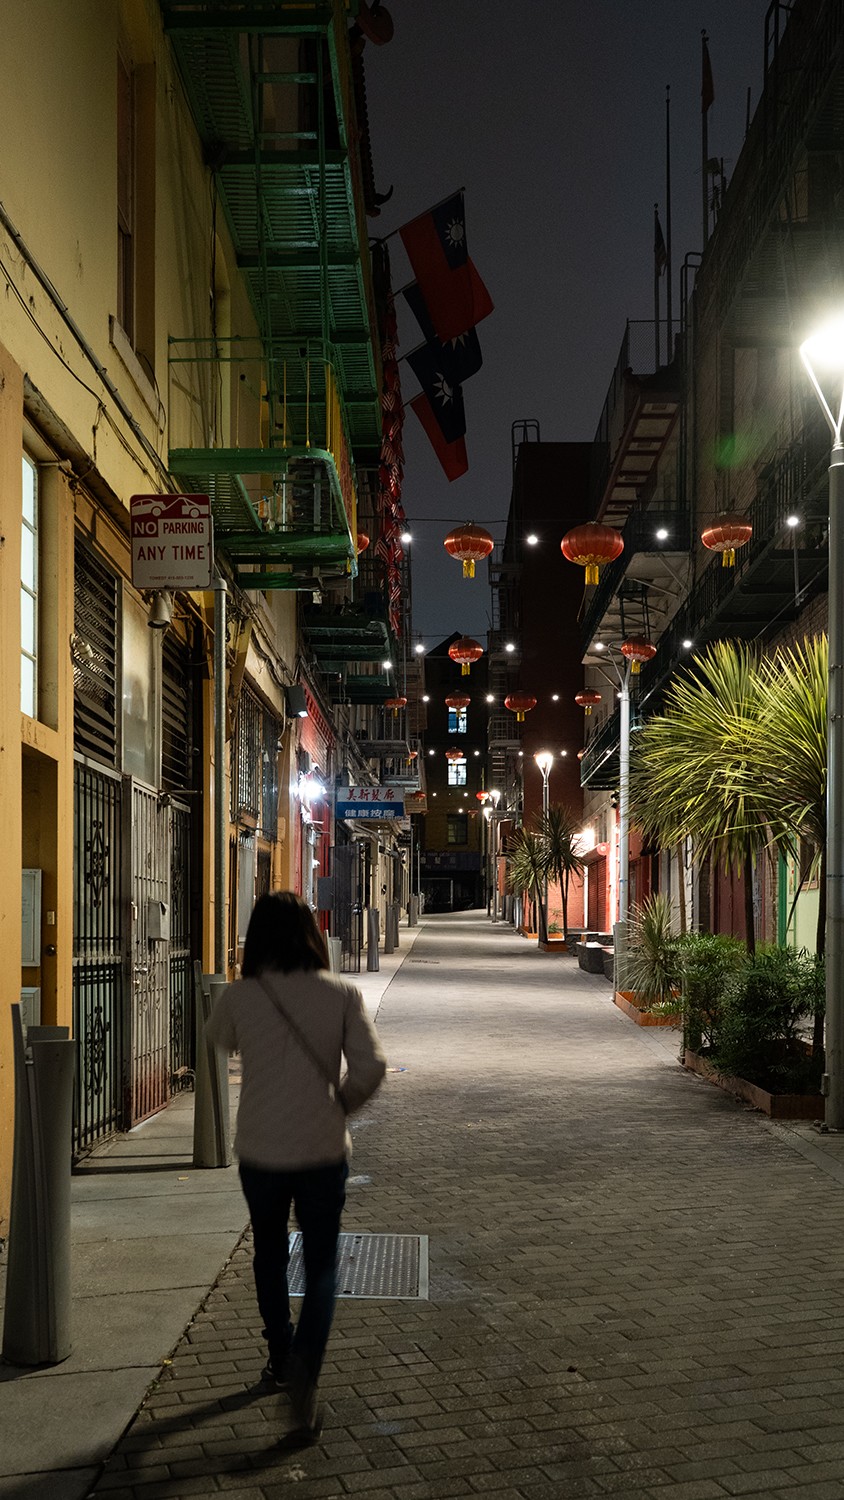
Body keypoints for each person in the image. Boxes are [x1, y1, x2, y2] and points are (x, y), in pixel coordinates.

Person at [206, 891, 386, 1445]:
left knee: (267, 1253)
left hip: (260, 1150)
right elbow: (372, 1066)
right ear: (312, 935)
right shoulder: (341, 993)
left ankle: (279, 1355)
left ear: (255, 937)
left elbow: (217, 1041)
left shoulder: (241, 996)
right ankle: (305, 1370)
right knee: (322, 1264)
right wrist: (342, 1104)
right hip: (322, 1149)